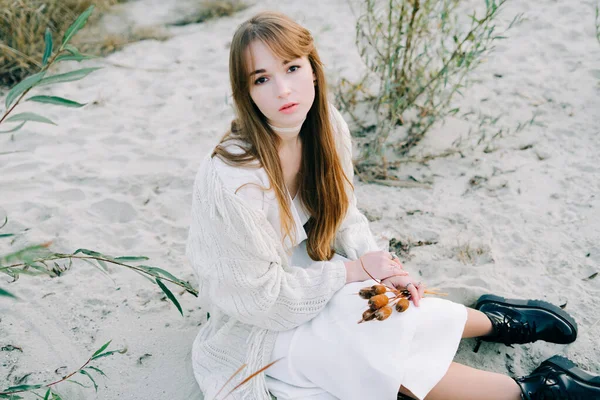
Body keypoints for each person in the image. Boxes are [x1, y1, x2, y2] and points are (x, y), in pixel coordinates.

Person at [185, 10, 600, 400]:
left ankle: (493, 322)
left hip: (312, 271)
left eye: (292, 68)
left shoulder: (325, 125)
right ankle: (535, 389)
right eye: (262, 79)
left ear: (313, 68)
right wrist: (353, 270)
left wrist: (379, 264)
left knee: (383, 303)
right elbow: (259, 300)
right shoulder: (233, 178)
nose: (284, 90)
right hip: (258, 318)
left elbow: (345, 215)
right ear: (245, 91)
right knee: (364, 349)